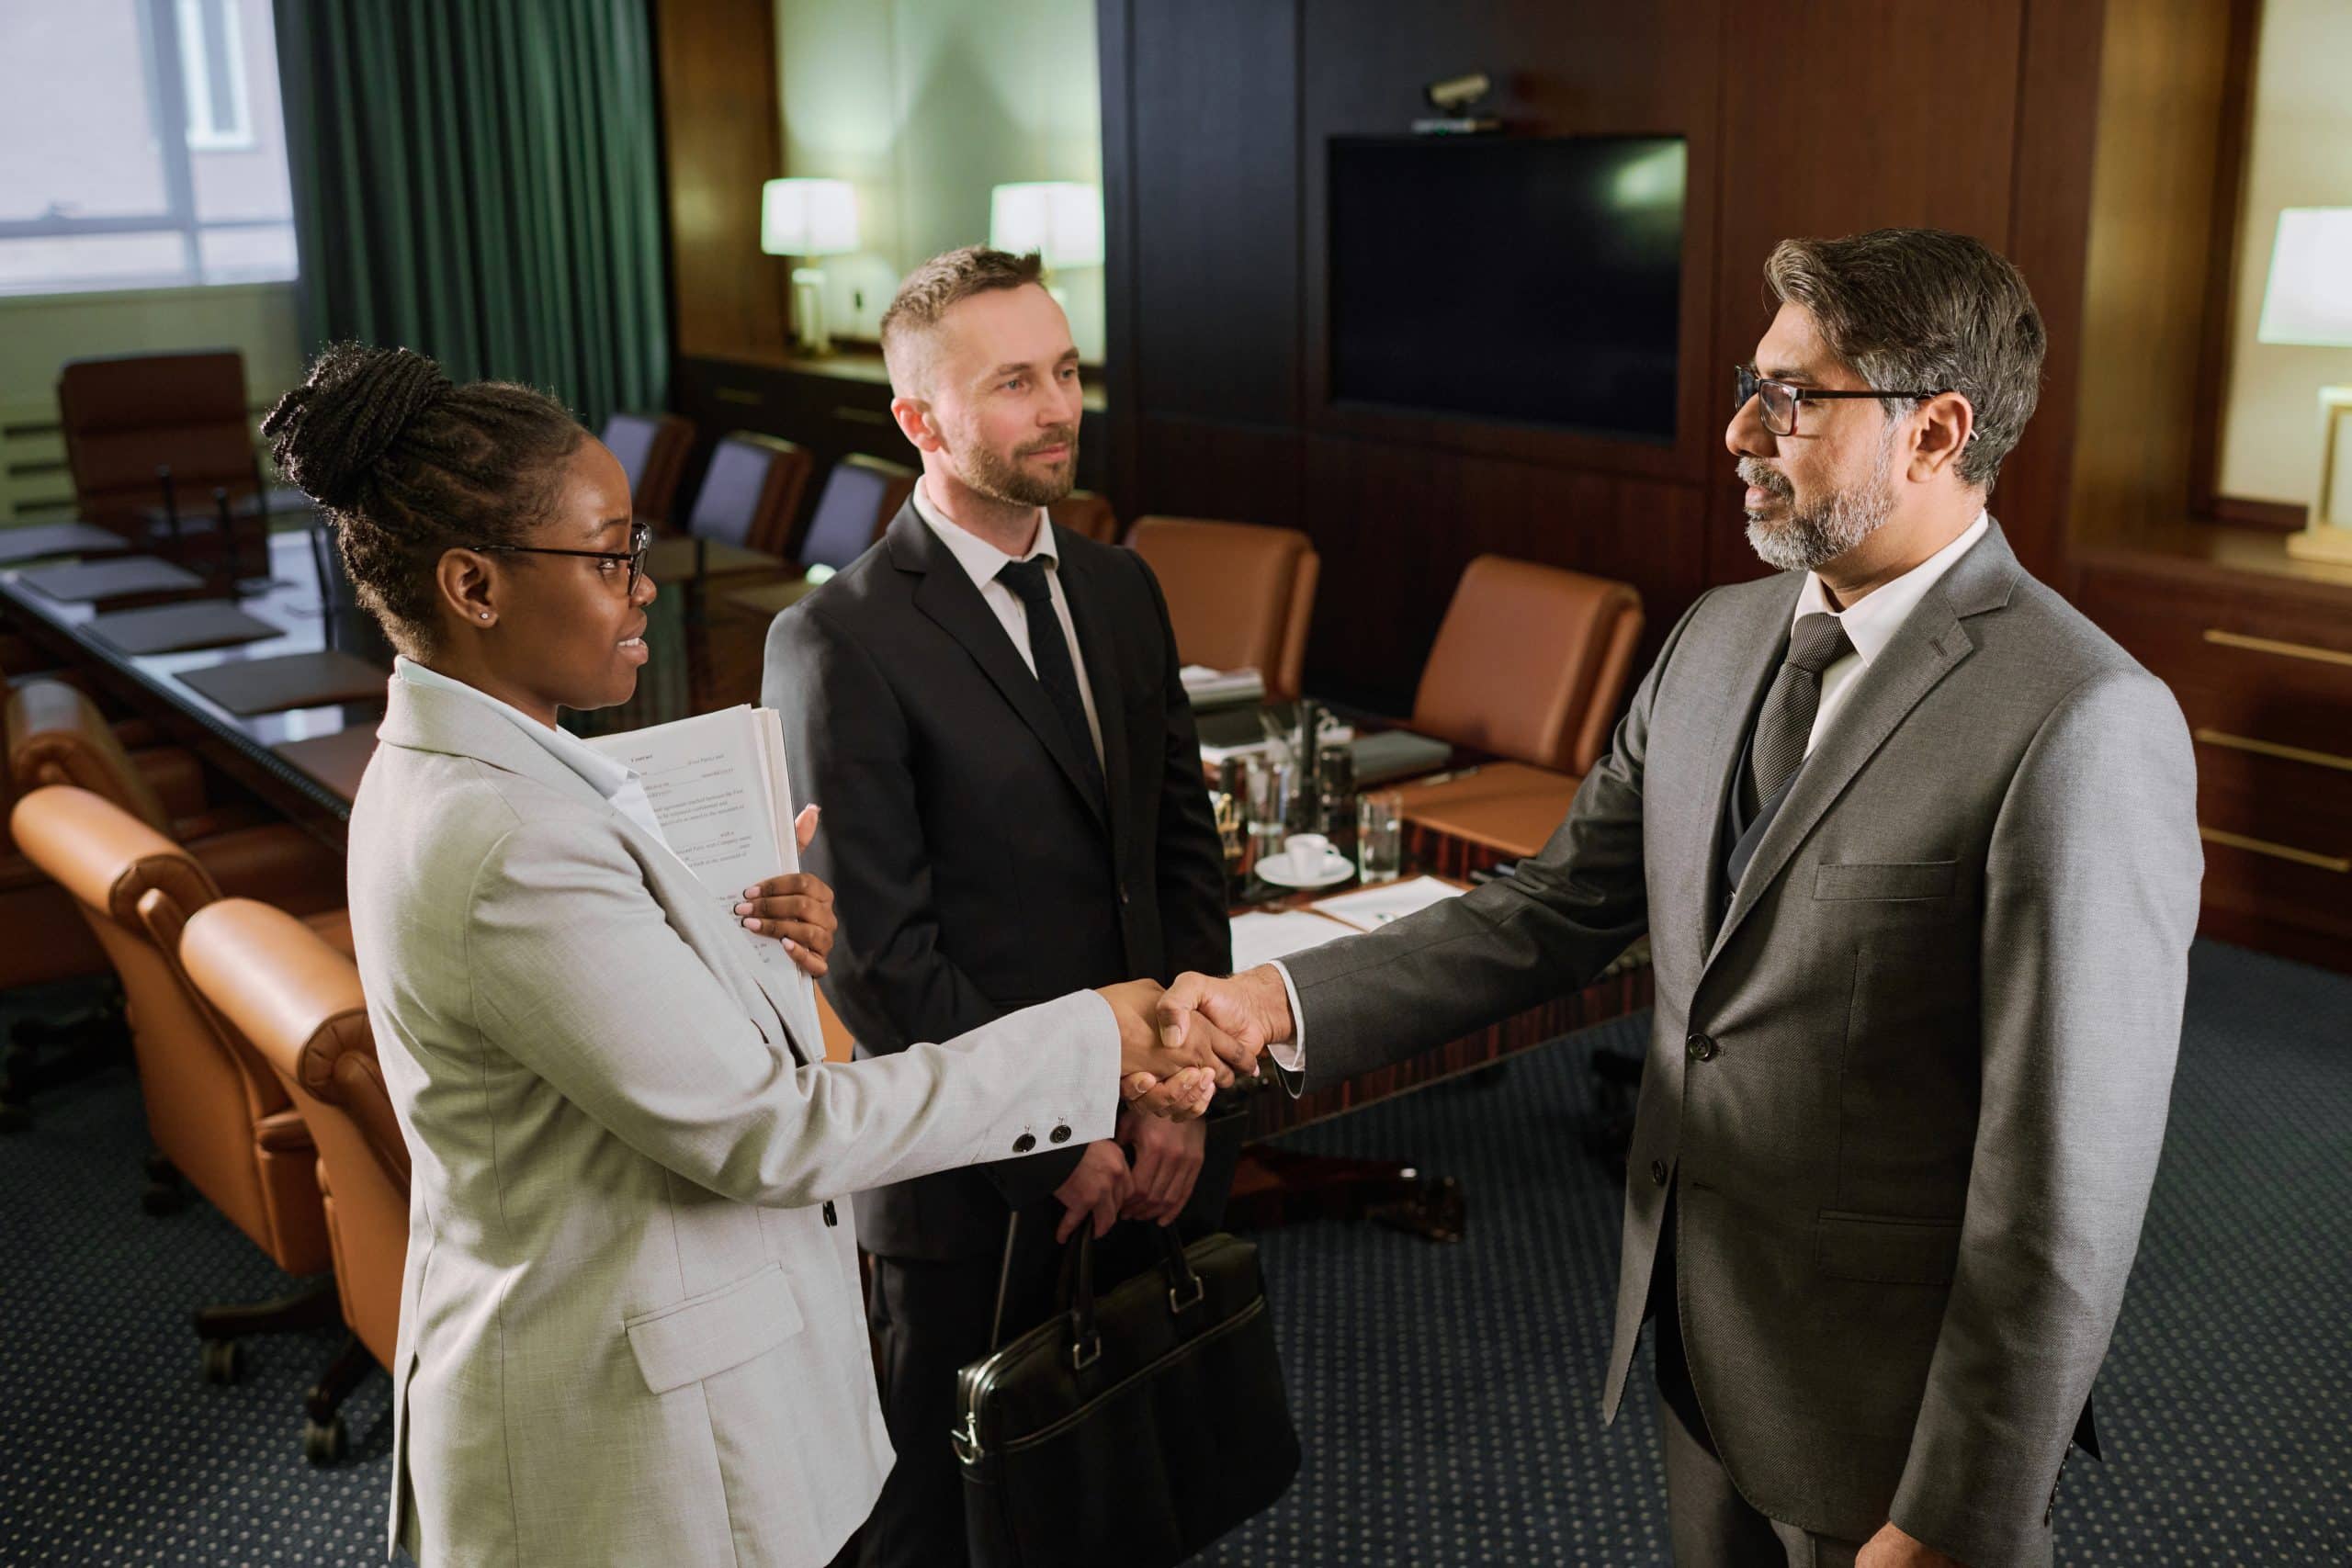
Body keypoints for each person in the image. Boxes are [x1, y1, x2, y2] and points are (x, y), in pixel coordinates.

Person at [1160, 231, 2202, 1568]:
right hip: (1694, 1341)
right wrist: (1274, 1004)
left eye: (1791, 395)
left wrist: (1961, 1513)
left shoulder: (2084, 719)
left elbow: (2067, 1183)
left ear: (1935, 431)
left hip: (1896, 1430)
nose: (1734, 431)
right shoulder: (1716, 635)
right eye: (1747, 382)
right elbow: (1549, 913)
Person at [263, 344, 1235, 1568]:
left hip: (644, 1372)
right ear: (473, 584)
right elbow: (768, 1133)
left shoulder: (495, 769)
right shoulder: (506, 836)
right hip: (617, 1445)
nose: (645, 587)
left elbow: (623, 1042)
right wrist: (1091, 1036)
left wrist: (755, 949)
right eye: (611, 555)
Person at [761, 246, 1238, 1568]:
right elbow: (876, 953)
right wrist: (1050, 1136)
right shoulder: (836, 641)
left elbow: (1180, 858)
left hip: (1155, 1151)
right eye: (1014, 382)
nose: (1059, 407)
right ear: (920, 420)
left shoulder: (1119, 586)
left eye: (1068, 370)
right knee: (945, 1533)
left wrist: (1181, 1095)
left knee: (1136, 1498)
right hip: (975, 1189)